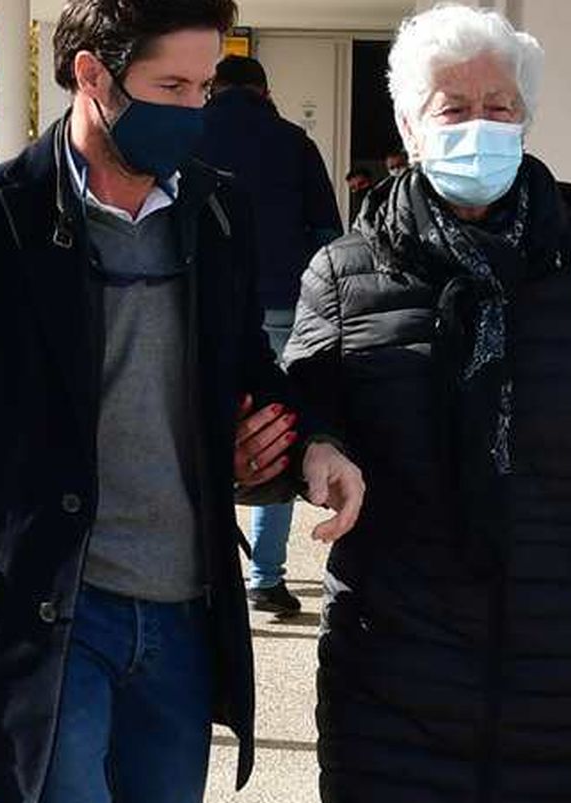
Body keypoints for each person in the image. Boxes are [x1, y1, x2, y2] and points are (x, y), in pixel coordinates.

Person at [0, 0, 365, 803]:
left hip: (181, 618)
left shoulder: (216, 213)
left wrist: (305, 445)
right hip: (44, 619)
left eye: (203, 87)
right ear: (91, 74)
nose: (193, 109)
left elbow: (250, 375)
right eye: (171, 86)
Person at [283, 6, 571, 803]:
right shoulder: (346, 272)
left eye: (500, 105)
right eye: (453, 104)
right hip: (397, 658)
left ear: (528, 116)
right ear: (406, 125)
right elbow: (298, 415)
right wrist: (317, 450)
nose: (479, 124)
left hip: (553, 659)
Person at [196, 54, 343, 617]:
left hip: (210, 308)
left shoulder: (194, 135)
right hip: (287, 300)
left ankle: (209, 574)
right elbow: (329, 231)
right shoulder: (293, 141)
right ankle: (265, 576)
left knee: (204, 429)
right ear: (264, 91)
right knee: (273, 432)